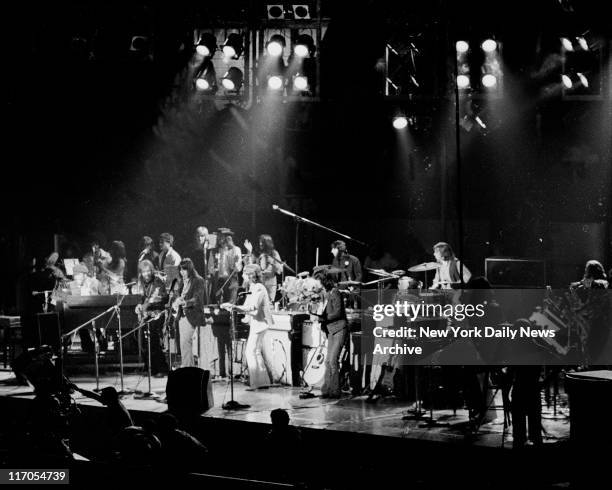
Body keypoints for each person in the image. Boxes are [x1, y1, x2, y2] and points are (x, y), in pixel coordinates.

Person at [227, 264, 273, 389]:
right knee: (256, 352)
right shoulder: (253, 287)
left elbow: (253, 308)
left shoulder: (258, 287)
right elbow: (247, 306)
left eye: (244, 273)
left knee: (250, 352)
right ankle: (263, 382)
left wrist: (236, 308)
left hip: (260, 324)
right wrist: (233, 307)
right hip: (257, 324)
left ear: (251, 275)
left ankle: (255, 383)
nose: (242, 275)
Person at [315, 273, 348, 399]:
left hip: (339, 328)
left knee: (333, 360)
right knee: (328, 361)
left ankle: (335, 390)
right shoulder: (324, 294)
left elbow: (338, 312)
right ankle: (327, 389)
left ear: (323, 281)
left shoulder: (335, 292)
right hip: (330, 329)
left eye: (318, 281)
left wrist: (324, 318)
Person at [135, 260, 169, 377]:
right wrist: (139, 305)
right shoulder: (142, 283)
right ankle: (150, 367)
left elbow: (164, 297)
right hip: (147, 314)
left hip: (157, 313)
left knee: (153, 339)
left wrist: (155, 300)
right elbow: (143, 298)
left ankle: (162, 368)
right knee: (143, 341)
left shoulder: (158, 281)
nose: (147, 274)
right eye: (144, 272)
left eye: (148, 271)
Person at [173, 258, 206, 368]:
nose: (182, 272)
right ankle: (188, 367)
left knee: (186, 343)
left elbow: (197, 299)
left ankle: (186, 367)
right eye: (180, 270)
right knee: (183, 345)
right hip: (182, 316)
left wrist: (184, 303)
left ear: (190, 269)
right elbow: (179, 295)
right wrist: (177, 301)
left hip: (192, 315)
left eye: (184, 270)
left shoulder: (198, 280)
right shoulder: (182, 282)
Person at [244, 234, 283, 302]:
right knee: (258, 303)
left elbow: (280, 270)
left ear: (268, 243)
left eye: (262, 242)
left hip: (271, 283)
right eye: (260, 241)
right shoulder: (257, 253)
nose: (260, 243)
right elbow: (250, 266)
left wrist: (273, 263)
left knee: (269, 304)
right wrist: (249, 251)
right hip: (260, 282)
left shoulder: (274, 253)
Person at [209, 228, 242, 303]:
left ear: (228, 238)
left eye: (221, 236)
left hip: (231, 282)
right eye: (218, 236)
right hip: (218, 282)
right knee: (215, 305)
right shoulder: (214, 251)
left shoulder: (236, 250)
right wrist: (214, 270)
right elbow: (210, 267)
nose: (219, 238)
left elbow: (238, 269)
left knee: (229, 305)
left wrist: (236, 263)